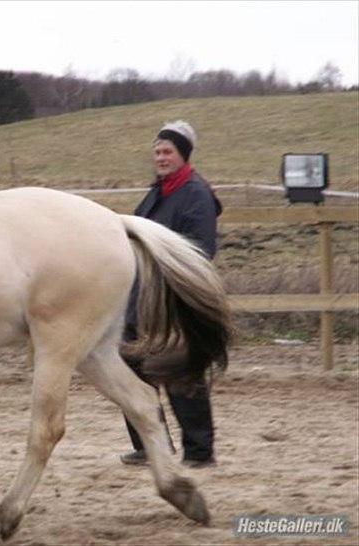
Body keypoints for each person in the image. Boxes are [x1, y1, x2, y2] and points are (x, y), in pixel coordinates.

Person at [119, 120, 222, 468]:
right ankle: (152, 444)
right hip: (141, 293)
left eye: (168, 152)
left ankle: (199, 451)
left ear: (183, 155)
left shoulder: (195, 194)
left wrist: (168, 283)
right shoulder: (158, 191)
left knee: (179, 369)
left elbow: (201, 249)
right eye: (157, 151)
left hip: (176, 295)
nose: (161, 157)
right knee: (130, 365)